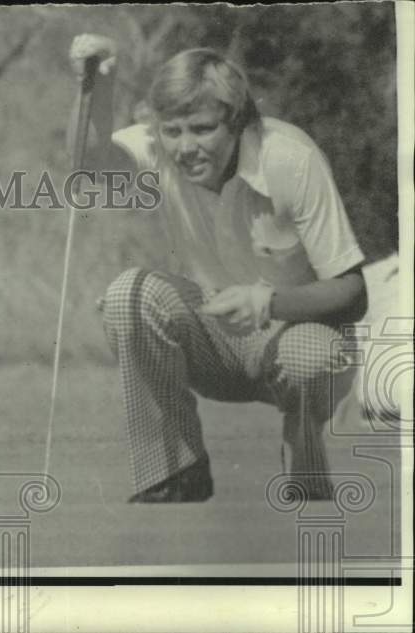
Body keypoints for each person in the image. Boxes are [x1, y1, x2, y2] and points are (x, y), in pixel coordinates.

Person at [68, 37, 367, 502]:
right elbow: (89, 167)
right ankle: (176, 473)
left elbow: (353, 292)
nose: (185, 147)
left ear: (238, 122)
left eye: (202, 129)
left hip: (300, 344)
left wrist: (268, 301)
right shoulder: (158, 145)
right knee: (129, 294)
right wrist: (97, 85)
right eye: (172, 131)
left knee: (314, 356)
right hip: (215, 345)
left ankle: (303, 448)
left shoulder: (290, 158)